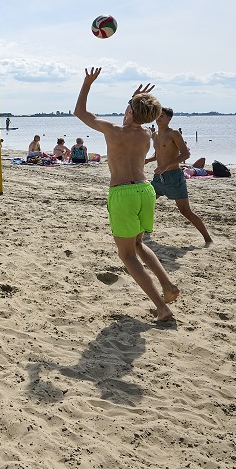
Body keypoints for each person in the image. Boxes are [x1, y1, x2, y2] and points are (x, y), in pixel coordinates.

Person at [74, 68, 179, 324]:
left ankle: (162, 308)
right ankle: (168, 286)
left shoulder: (114, 131)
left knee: (127, 255)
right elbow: (136, 118)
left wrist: (87, 84)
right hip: (145, 190)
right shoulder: (147, 134)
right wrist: (135, 102)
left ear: (130, 112)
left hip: (123, 193)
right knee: (139, 244)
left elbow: (80, 112)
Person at [146, 107, 212, 246]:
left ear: (169, 118)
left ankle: (208, 239)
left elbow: (186, 154)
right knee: (147, 202)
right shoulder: (155, 135)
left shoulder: (173, 133)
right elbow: (158, 155)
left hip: (174, 177)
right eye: (157, 115)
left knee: (185, 211)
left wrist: (166, 166)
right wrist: (147, 160)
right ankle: (145, 231)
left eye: (162, 116)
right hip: (159, 178)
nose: (158, 118)